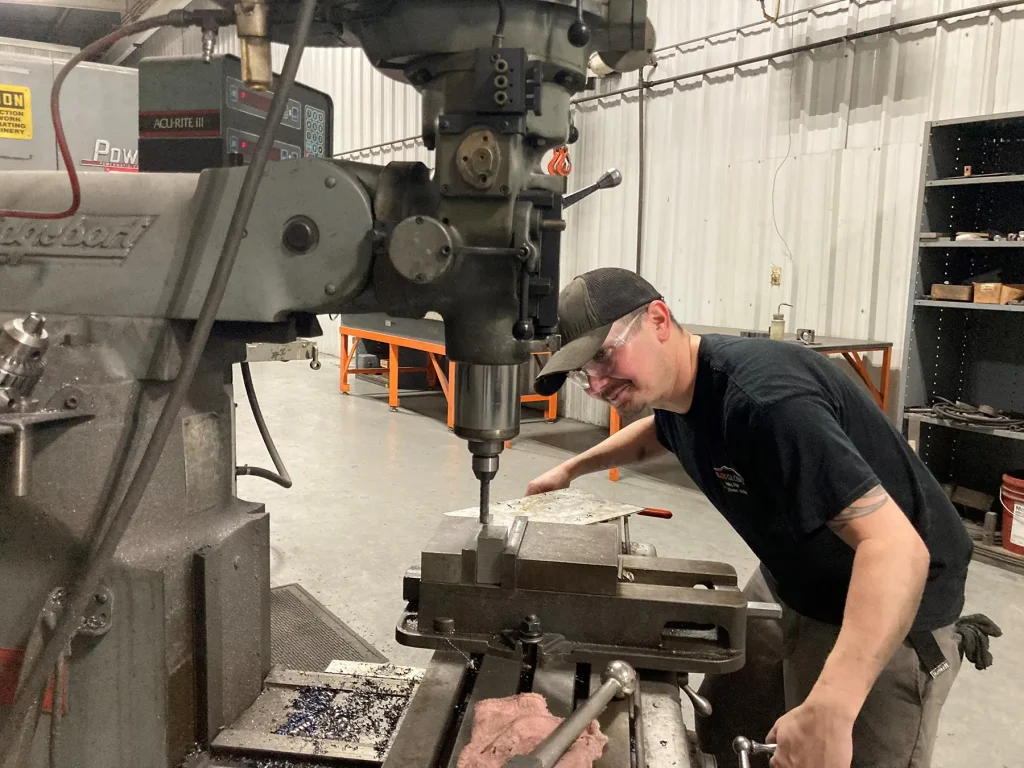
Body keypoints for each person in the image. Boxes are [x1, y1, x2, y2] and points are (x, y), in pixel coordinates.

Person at [527, 267, 974, 768]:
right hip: (790, 578)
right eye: (583, 372)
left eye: (604, 356)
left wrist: (831, 709)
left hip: (892, 602)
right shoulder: (682, 390)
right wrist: (573, 468)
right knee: (726, 724)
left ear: (657, 319)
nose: (598, 382)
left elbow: (897, 550)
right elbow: (661, 431)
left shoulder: (768, 403)